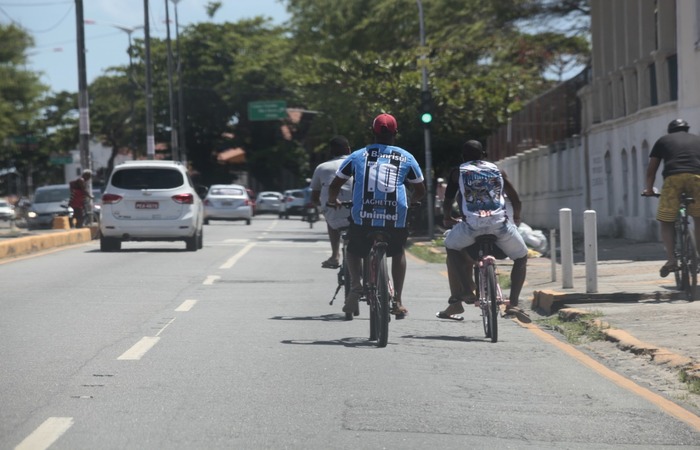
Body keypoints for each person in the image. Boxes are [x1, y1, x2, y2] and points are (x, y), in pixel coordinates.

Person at [326, 113, 426, 319]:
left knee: (353, 248)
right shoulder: (406, 157)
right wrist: (413, 201)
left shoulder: (357, 156)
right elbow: (420, 189)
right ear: (395, 133)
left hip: (364, 215)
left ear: (372, 132)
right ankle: (397, 300)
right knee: (398, 252)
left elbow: (335, 184)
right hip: (394, 215)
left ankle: (356, 285)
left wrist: (332, 200)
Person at [438, 139, 530, 322]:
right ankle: (513, 303)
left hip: (472, 227)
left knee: (451, 246)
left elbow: (448, 200)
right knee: (521, 257)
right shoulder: (497, 170)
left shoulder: (459, 172)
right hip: (499, 225)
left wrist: (447, 217)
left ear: (463, 157)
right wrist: (517, 217)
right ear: (484, 155)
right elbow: (515, 199)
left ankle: (465, 290)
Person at [642, 119, 700, 277]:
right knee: (698, 218)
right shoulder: (697, 139)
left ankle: (671, 260)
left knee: (666, 221)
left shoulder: (663, 141)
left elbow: (651, 170)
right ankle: (698, 256)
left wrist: (648, 189)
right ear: (687, 129)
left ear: (670, 130)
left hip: (673, 180)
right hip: (696, 179)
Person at [310, 136, 353, 268]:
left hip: (333, 212)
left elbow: (314, 195)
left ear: (331, 152)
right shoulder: (358, 164)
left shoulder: (322, 167)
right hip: (357, 211)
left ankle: (335, 255)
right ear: (349, 149)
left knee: (330, 220)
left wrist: (319, 206)